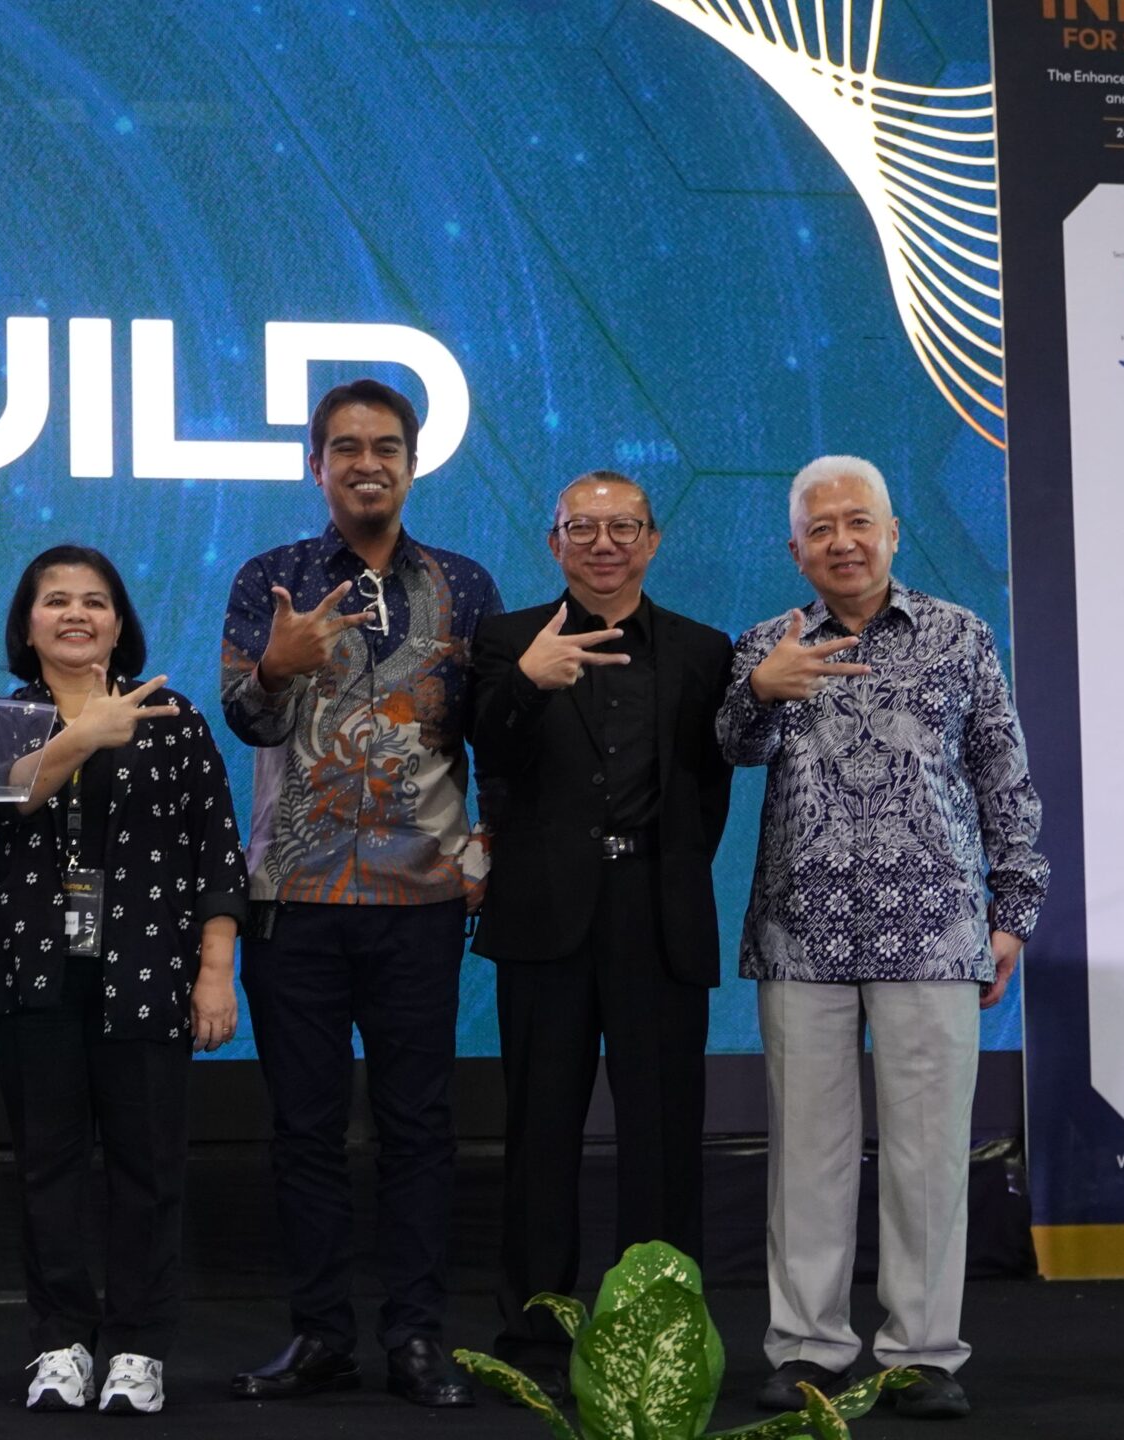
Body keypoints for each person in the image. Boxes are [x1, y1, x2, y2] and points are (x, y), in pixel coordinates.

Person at [719, 455, 1044, 1422]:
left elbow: (1003, 774)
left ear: (893, 532)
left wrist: (1013, 911)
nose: (842, 542)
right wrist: (761, 691)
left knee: (928, 1156)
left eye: (858, 522)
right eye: (820, 529)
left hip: (935, 929)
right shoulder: (765, 644)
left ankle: (922, 1354)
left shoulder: (960, 635)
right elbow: (730, 746)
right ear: (795, 551)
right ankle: (808, 1346)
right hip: (801, 932)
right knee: (806, 1156)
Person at [220, 378, 500, 1409]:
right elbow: (246, 720)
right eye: (345, 448)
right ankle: (320, 1335)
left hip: (421, 901)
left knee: (418, 1128)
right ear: (317, 465)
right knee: (304, 1131)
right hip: (293, 900)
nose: (366, 464)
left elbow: (492, 729)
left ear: (413, 464)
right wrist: (276, 668)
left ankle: (417, 1336)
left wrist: (489, 846)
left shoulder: (464, 584)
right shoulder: (272, 577)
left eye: (385, 447)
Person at [466, 472, 734, 1399]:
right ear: (555, 542)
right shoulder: (508, 640)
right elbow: (487, 751)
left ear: (653, 541)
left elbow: (708, 788)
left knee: (663, 1135)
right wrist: (527, 684)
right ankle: (535, 1332)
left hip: (657, 913)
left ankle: (656, 1332)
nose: (605, 543)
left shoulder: (704, 650)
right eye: (584, 528)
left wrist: (662, 867)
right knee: (541, 1131)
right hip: (545, 915)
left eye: (624, 527)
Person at [0, 545, 248, 1417]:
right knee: (46, 1167)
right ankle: (58, 1342)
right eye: (55, 600)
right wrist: (81, 736)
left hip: (149, 974)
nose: (76, 614)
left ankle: (137, 1347)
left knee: (148, 1168)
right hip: (35, 976)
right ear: (27, 625)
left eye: (94, 601)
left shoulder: (173, 716)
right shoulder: (0, 718)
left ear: (119, 622)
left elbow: (217, 851)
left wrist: (216, 971)